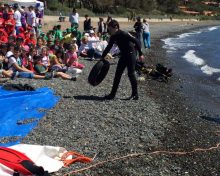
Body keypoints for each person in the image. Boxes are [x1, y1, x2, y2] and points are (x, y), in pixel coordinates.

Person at [101, 20, 144, 100]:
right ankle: (112, 94)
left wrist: (141, 54)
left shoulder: (124, 34)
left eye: (110, 29)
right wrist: (102, 56)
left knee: (131, 74)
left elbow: (136, 41)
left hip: (131, 54)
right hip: (123, 55)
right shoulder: (113, 36)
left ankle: (135, 94)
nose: (109, 31)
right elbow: (109, 47)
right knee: (117, 75)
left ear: (116, 27)